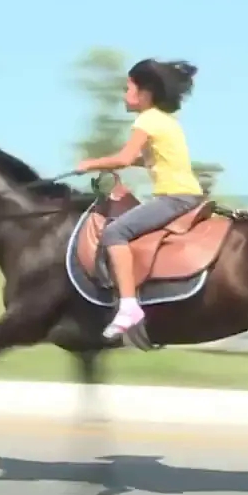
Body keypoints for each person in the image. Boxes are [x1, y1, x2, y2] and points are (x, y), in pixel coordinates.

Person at [75, 58, 206, 340]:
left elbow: (123, 157)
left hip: (175, 198)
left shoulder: (146, 120)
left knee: (115, 231)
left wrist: (91, 163)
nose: (125, 95)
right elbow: (144, 159)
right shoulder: (166, 121)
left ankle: (129, 306)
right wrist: (113, 164)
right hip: (187, 194)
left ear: (144, 92)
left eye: (128, 88)